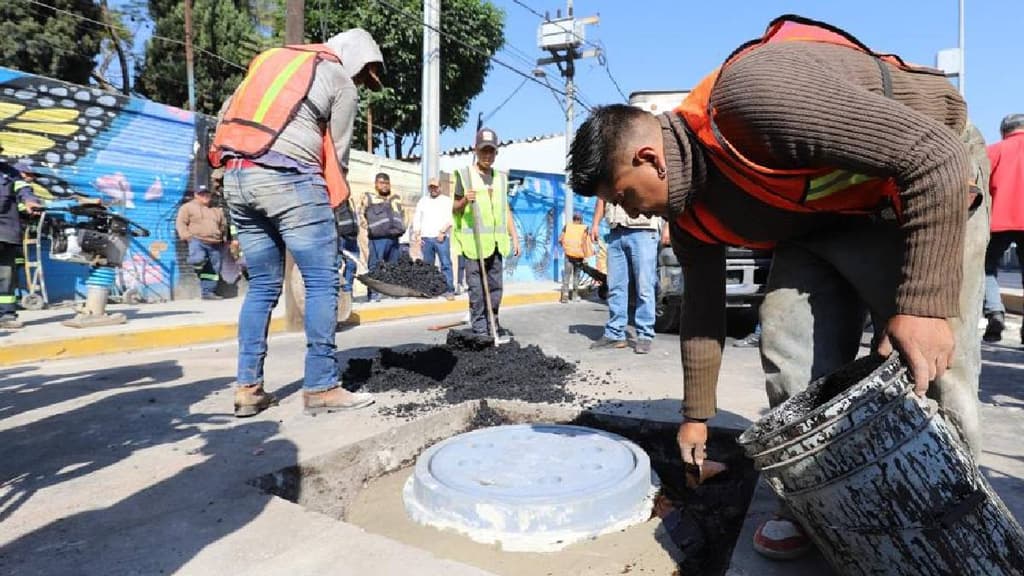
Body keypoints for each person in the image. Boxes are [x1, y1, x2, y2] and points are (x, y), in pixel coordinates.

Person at [566, 15, 989, 560]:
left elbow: (934, 158)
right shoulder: (690, 214)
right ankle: (816, 504)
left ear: (648, 159)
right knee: (789, 350)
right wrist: (696, 417)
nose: (629, 212)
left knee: (932, 360)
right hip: (817, 220)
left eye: (624, 196)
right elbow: (702, 313)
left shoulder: (754, 100)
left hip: (924, 181)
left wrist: (922, 306)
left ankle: (956, 519)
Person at [209, 28, 383, 417]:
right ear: (354, 61)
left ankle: (247, 388)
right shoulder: (339, 78)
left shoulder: (270, 60)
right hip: (290, 177)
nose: (358, 82)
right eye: (362, 74)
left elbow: (226, 115)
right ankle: (322, 385)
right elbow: (336, 157)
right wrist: (341, 214)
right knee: (323, 281)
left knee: (262, 288)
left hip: (237, 177)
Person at [452, 128, 520, 339]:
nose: (487, 156)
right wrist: (464, 200)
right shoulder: (465, 176)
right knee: (477, 291)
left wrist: (514, 236)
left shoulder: (501, 178)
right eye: (484, 152)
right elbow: (454, 208)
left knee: (495, 289)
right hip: (474, 246)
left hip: (497, 244)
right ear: (476, 150)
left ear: (496, 153)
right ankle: (480, 331)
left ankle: (493, 325)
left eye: (491, 152)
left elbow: (505, 209)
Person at [589, 197, 661, 354]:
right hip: (616, 233)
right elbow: (602, 196)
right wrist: (595, 223)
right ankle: (615, 334)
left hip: (644, 230)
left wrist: (668, 227)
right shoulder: (609, 172)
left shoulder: (648, 170)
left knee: (644, 287)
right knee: (615, 287)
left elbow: (664, 194)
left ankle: (644, 335)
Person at [982, 114, 1024, 343]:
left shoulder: (994, 151)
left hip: (998, 220)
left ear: (1004, 131)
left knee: (984, 267)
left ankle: (995, 313)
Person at [1, 154, 41, 330]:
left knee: (5, 276)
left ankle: (6, 314)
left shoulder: (10, 173)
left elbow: (23, 189)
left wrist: (30, 201)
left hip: (6, 232)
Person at [358, 172, 405, 302]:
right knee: (375, 266)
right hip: (377, 240)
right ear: (376, 184)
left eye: (387, 183)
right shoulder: (368, 197)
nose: (384, 186)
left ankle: (392, 292)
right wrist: (369, 227)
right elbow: (360, 213)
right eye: (381, 183)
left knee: (393, 266)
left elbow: (402, 214)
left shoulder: (396, 198)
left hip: (394, 238)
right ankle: (373, 294)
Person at [175, 185, 228, 300]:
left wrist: (223, 238)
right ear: (196, 195)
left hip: (215, 243)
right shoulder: (187, 207)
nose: (205, 196)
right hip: (197, 240)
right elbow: (181, 223)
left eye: (207, 194)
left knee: (213, 269)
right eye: (201, 194)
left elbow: (223, 226)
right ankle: (196, 264)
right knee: (198, 259)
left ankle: (208, 292)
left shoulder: (216, 210)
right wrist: (186, 236)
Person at [413, 176, 455, 300]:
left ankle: (449, 290)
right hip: (426, 238)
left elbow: (451, 219)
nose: (433, 189)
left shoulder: (446, 200)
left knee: (446, 264)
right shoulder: (423, 201)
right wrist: (417, 234)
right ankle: (429, 291)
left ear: (440, 187)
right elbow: (417, 217)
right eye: (431, 187)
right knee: (428, 266)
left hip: (441, 238)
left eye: (435, 186)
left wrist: (443, 232)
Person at [559, 212, 593, 302]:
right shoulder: (584, 228)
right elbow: (584, 243)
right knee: (576, 276)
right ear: (581, 220)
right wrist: (586, 256)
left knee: (566, 275)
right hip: (579, 256)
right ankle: (574, 296)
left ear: (573, 219)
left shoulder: (567, 227)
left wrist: (565, 248)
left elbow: (560, 239)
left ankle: (565, 296)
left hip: (568, 254)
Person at [334, 194, 360, 297]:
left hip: (352, 237)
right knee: (337, 265)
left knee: (352, 265)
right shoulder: (334, 201)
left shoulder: (350, 202)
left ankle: (347, 292)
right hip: (339, 238)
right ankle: (335, 293)